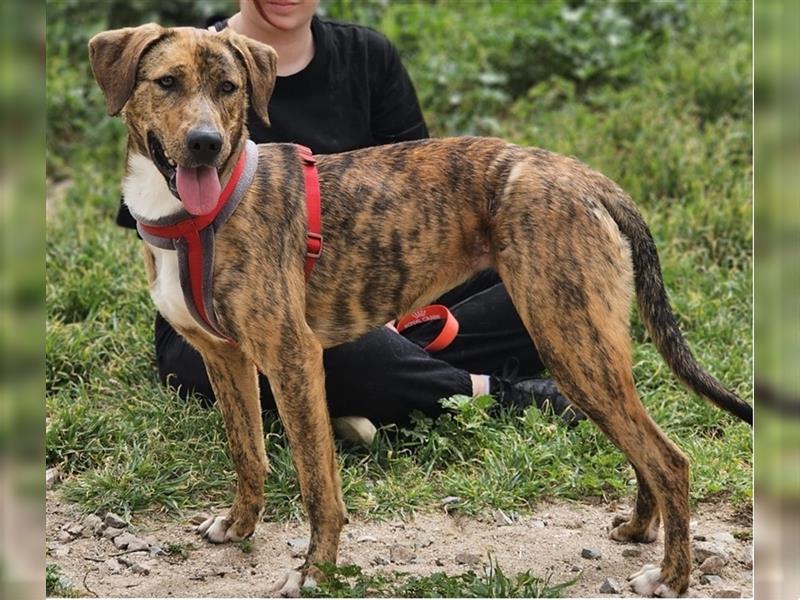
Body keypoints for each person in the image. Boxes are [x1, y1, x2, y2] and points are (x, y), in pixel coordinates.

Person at [115, 0, 584, 444]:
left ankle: (390, 372)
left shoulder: (367, 54)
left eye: (226, 92)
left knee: (544, 283)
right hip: (230, 309)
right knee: (325, 348)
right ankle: (491, 393)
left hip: (370, 280)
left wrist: (387, 302)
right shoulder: (183, 59)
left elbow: (425, 200)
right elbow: (157, 222)